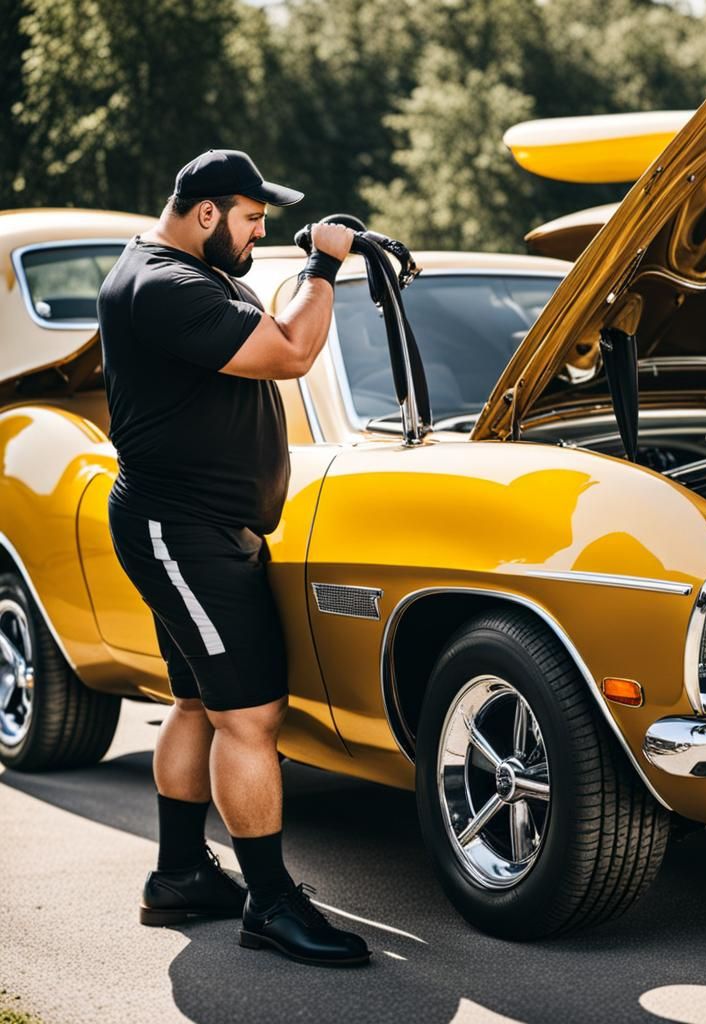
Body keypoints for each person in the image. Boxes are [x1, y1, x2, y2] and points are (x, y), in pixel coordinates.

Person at [97, 148, 370, 968]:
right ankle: (271, 904)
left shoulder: (192, 273)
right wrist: (324, 265)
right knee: (249, 718)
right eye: (252, 218)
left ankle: (180, 876)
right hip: (182, 531)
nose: (261, 233)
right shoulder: (165, 285)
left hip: (199, 527)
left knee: (197, 703)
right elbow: (290, 352)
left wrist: (306, 269)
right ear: (207, 212)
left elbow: (268, 333)